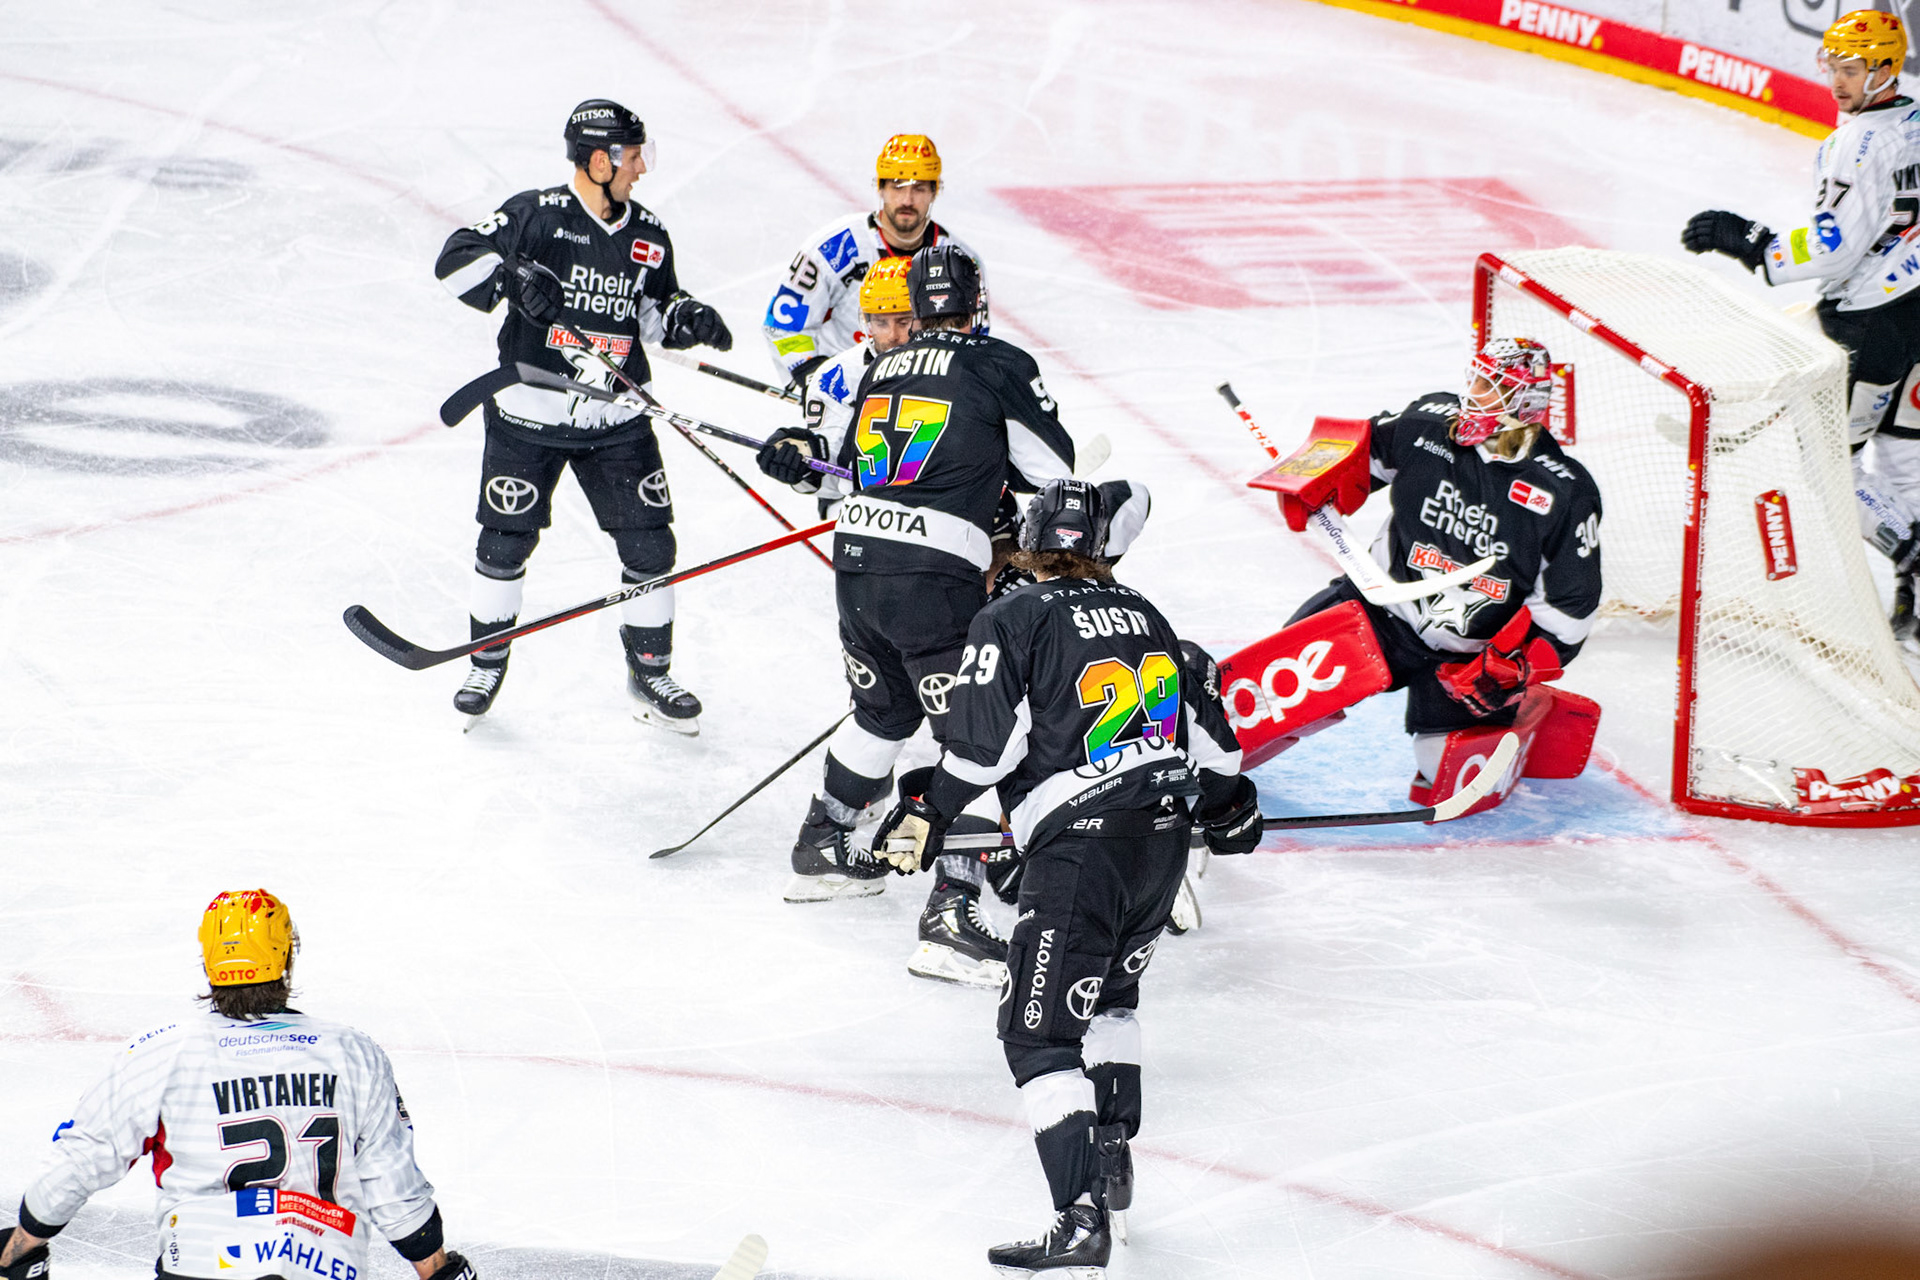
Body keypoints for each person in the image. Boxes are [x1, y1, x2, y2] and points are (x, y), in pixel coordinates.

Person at [870, 480, 1261, 1276]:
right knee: (1113, 999)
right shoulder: (1146, 613)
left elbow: (982, 753)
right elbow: (1220, 759)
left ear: (1027, 542)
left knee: (1038, 1036)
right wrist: (1229, 809)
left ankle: (1080, 1220)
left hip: (1081, 851)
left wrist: (926, 811)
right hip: (1161, 845)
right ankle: (1110, 1160)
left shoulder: (1013, 616)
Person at [752, 244, 1075, 993]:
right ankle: (951, 916)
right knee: (983, 730)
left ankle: (824, 844)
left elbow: (860, 461)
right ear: (976, 305)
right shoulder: (998, 362)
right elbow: (1053, 473)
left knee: (884, 709)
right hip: (933, 577)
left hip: (858, 563)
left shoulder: (880, 365)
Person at [433, 98, 734, 731]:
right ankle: (486, 662)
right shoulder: (535, 215)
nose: (641, 170)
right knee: (504, 542)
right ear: (600, 161)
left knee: (650, 546)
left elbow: (652, 314)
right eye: (632, 157)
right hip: (528, 417)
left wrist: (686, 319)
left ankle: (649, 671)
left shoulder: (649, 233)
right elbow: (455, 260)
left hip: (614, 423)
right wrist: (512, 276)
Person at [0, 890, 472, 1280]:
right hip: (326, 1264)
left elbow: (84, 1157)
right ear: (287, 955)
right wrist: (435, 1267)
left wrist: (21, 1245)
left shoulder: (160, 1052)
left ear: (209, 962)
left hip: (202, 1264)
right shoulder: (352, 1051)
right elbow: (391, 1183)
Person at [1682, 10, 1920, 643]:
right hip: (1915, 307)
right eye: (1834, 67)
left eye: (1851, 70)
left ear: (1884, 69)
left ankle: (1911, 553)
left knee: (1828, 461)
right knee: (1904, 450)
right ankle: (1918, 594)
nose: (1837, 82)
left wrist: (1751, 242)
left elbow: (1837, 247)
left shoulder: (1857, 144)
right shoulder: (1915, 118)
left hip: (1873, 322)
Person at [1276, 338, 1603, 795]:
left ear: (1524, 403)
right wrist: (1311, 477)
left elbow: (1571, 611)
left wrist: (1513, 669)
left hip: (1469, 660)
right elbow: (1361, 447)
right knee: (1269, 697)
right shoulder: (1428, 425)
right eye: (1476, 380)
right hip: (1376, 612)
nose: (1474, 395)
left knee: (1449, 781)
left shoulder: (1562, 493)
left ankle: (1526, 712)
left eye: (1492, 387)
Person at [761, 134, 986, 389]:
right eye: (897, 186)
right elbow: (783, 324)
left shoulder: (960, 262)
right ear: (880, 187)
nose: (907, 200)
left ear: (935, 191)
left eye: (919, 188)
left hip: (924, 394)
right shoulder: (836, 247)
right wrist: (813, 376)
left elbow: (973, 342)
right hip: (845, 389)